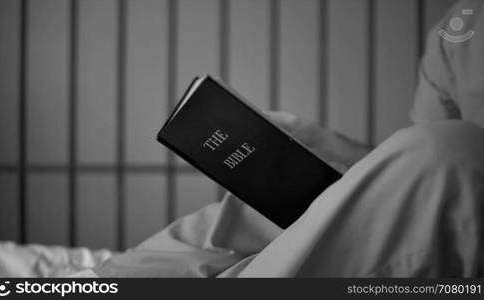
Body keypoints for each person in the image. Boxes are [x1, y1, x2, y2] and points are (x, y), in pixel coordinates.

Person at [76, 0, 484, 277]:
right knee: (248, 213)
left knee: (453, 152)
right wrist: (325, 144)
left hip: (459, 176)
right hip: (460, 195)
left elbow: (444, 166)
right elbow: (419, 186)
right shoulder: (460, 28)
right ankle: (94, 282)